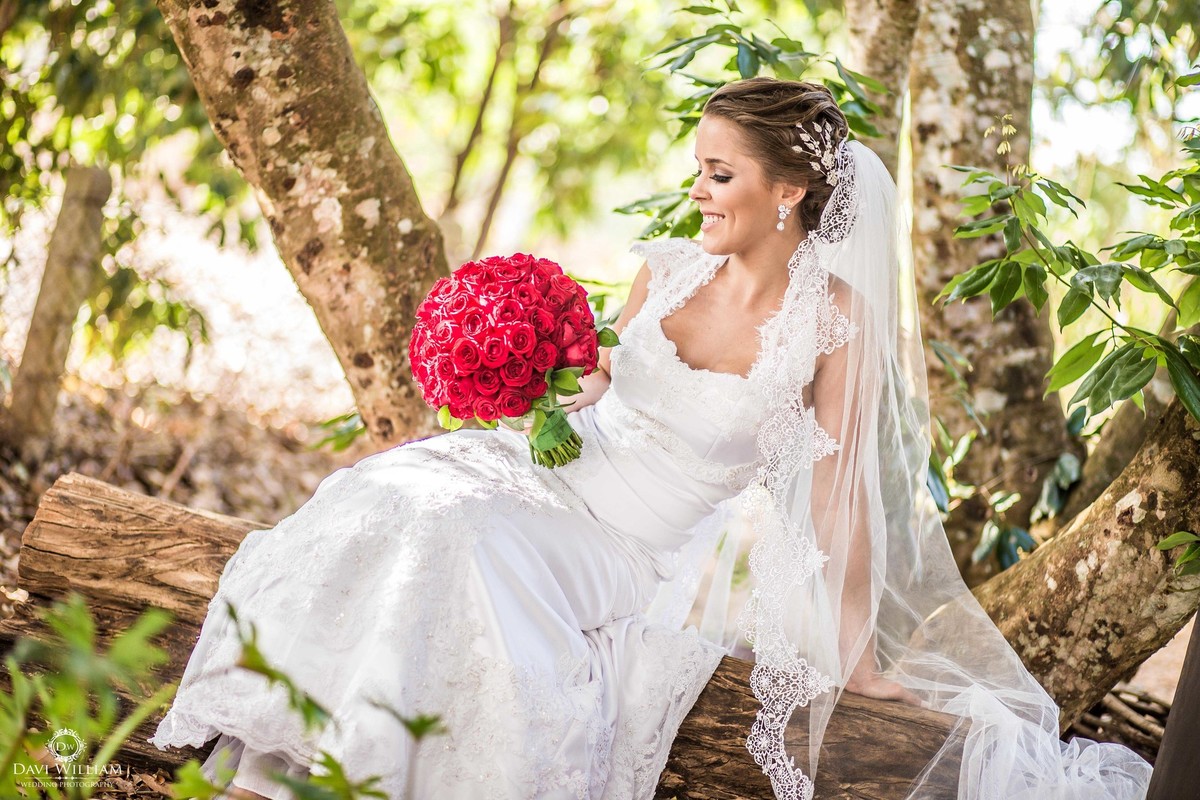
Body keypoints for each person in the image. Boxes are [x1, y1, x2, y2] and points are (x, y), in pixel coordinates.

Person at [150, 77, 1153, 800]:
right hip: (540, 475)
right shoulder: (666, 266)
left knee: (457, 539)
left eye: (719, 173)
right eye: (697, 171)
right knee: (389, 495)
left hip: (630, 547)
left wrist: (857, 660)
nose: (698, 192)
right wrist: (537, 374)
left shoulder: (834, 323)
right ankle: (280, 777)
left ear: (787, 192)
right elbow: (598, 388)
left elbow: (835, 499)